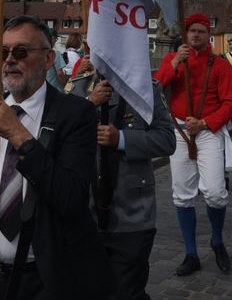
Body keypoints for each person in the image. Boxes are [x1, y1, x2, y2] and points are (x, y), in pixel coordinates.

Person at [0, 15, 107, 299]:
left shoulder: (76, 114)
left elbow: (71, 197)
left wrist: (19, 135)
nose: (9, 60)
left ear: (47, 59)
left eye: (21, 51)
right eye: (3, 52)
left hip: (41, 280)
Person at [154, 13, 232, 276]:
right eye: (192, 31)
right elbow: (157, 86)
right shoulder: (174, 59)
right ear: (186, 34)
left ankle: (217, 239)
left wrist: (204, 123)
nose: (196, 35)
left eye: (201, 31)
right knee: (183, 195)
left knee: (215, 192)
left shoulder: (220, 65)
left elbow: (230, 104)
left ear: (208, 35)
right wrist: (175, 63)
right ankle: (191, 253)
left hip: (208, 131)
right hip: (180, 131)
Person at [88, 75, 177, 300]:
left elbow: (167, 139)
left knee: (128, 291)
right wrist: (89, 104)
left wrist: (121, 139)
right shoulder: (80, 86)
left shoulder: (147, 88)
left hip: (132, 213)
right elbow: (62, 132)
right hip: (87, 213)